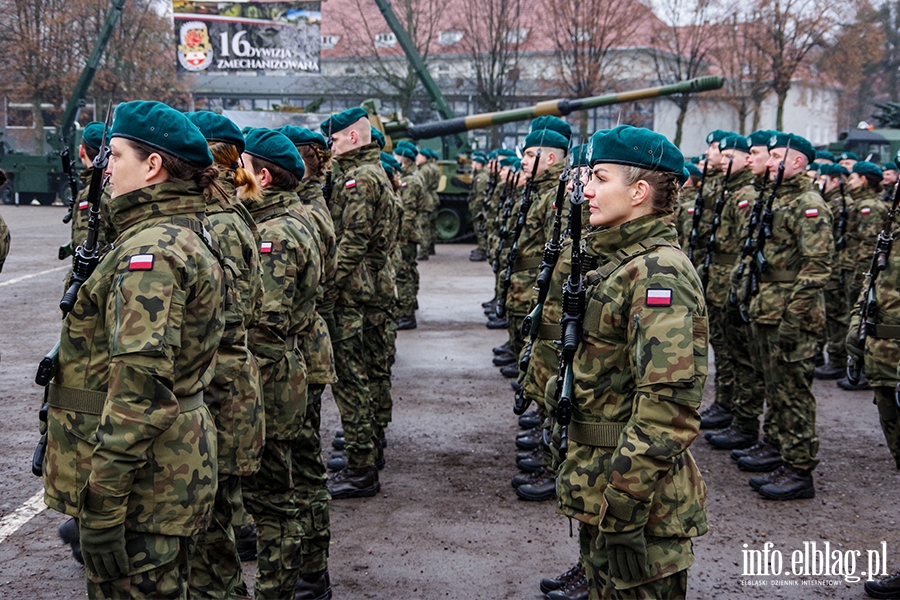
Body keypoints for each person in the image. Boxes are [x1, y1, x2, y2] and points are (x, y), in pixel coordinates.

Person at [42, 100, 224, 599]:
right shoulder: (171, 233)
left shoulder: (153, 251)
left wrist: (101, 506)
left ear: (152, 166)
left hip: (146, 482)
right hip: (162, 471)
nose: (105, 169)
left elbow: (139, 391)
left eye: (116, 155)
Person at [552, 125, 708, 599]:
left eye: (600, 177)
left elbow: (667, 409)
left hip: (640, 504)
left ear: (639, 192)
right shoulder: (618, 261)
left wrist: (623, 506)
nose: (587, 189)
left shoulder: (659, 272)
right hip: (605, 486)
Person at [183, 110, 265, 599]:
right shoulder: (226, 214)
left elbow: (224, 318)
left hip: (218, 385)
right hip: (223, 380)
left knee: (211, 539)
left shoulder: (218, 222)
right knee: (215, 528)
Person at [241, 128, 320, 599]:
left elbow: (265, 324)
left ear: (263, 177)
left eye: (241, 169)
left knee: (274, 498)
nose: (233, 176)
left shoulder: (276, 234)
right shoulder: (285, 219)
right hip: (278, 371)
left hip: (269, 378)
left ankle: (279, 589)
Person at [739, 132, 833, 500]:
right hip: (768, 307)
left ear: (798, 163)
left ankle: (799, 469)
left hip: (791, 312)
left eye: (778, 156)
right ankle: (779, 451)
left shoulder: (808, 204)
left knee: (793, 392)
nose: (771, 161)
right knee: (775, 388)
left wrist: (793, 318)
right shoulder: (776, 198)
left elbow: (818, 266)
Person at [320, 107, 394, 498]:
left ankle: (361, 465)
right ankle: (366, 451)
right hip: (365, 288)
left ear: (352, 137)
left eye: (333, 140)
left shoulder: (360, 179)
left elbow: (353, 240)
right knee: (363, 372)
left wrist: (329, 286)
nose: (329, 148)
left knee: (351, 379)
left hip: (353, 292)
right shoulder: (366, 173)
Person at [838, 161, 887, 391]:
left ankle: (865, 370)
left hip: (861, 269)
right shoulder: (860, 203)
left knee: (863, 318)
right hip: (855, 267)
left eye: (854, 178)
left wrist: (860, 273)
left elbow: (869, 246)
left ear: (864, 180)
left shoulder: (870, 206)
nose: (850, 182)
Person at [393, 143, 428, 330]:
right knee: (410, 269)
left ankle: (406, 313)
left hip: (407, 233)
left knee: (404, 272)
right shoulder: (412, 176)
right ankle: (410, 303)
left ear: (402, 158)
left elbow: (407, 212)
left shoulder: (410, 181)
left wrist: (402, 237)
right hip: (412, 232)